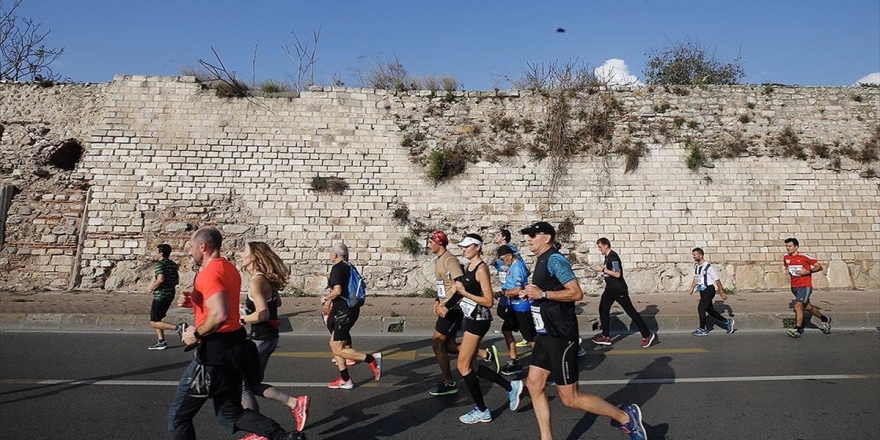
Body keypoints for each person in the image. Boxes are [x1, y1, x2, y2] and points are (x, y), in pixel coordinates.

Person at [168, 226, 303, 440]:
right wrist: (193, 302)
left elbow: (220, 313)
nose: (189, 251)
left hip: (212, 355)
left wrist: (197, 333)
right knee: (231, 413)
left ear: (203, 246)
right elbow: (223, 305)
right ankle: (285, 437)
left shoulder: (208, 273)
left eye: (191, 246)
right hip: (233, 348)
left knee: (178, 417)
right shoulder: (229, 269)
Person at [519, 222, 647, 440]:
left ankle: (626, 418)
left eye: (532, 235)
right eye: (527, 235)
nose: (528, 239)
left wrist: (542, 295)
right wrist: (529, 294)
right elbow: (544, 291)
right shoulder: (541, 259)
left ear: (547, 237)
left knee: (570, 398)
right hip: (545, 333)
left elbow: (576, 293)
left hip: (561, 335)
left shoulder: (555, 260)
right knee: (534, 384)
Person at [239, 241, 310, 432]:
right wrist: (250, 308)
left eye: (244, 251)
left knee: (241, 384)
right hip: (270, 337)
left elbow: (263, 314)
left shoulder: (256, 281)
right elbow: (276, 302)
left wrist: (243, 319)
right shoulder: (266, 278)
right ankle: (296, 403)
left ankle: (257, 431)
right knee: (252, 385)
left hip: (260, 338)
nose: (241, 254)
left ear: (254, 256)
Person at [452, 234, 523, 424]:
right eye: (463, 246)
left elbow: (489, 301)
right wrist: (445, 302)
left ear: (477, 247)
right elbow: (464, 294)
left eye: (467, 246)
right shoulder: (468, 267)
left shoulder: (482, 269)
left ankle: (482, 410)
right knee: (472, 366)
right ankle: (510, 387)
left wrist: (464, 292)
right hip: (470, 317)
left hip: (480, 319)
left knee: (463, 366)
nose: (463, 249)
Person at [323, 242, 382, 389]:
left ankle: (370, 359)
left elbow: (337, 290)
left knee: (338, 348)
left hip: (344, 311)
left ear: (335, 254)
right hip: (349, 309)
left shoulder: (337, 268)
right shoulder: (350, 266)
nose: (330, 255)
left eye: (331, 252)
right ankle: (345, 379)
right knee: (334, 344)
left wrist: (326, 299)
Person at [591, 238, 655, 349]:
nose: (599, 249)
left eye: (600, 246)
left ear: (606, 245)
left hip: (619, 290)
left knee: (631, 312)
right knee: (603, 309)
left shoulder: (613, 257)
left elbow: (617, 274)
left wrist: (602, 270)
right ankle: (606, 336)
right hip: (610, 289)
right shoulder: (607, 257)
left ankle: (647, 335)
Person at [426, 230, 466, 396]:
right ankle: (484, 353)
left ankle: (449, 382)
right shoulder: (440, 259)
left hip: (453, 309)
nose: (428, 245)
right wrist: (437, 300)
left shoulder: (450, 259)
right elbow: (444, 284)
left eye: (430, 242)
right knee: (449, 346)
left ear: (439, 243)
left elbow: (460, 286)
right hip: (445, 307)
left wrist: (447, 306)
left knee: (437, 343)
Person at [496, 244, 535, 376]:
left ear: (509, 255)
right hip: (513, 306)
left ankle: (542, 363)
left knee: (530, 337)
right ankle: (514, 361)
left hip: (522, 307)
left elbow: (518, 290)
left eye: (504, 258)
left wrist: (504, 293)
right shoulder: (511, 266)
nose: (503, 261)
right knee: (506, 330)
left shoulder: (517, 267)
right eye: (501, 259)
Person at [783, 238, 831, 338]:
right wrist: (788, 271)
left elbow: (819, 266)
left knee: (798, 306)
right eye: (786, 246)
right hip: (794, 286)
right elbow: (787, 268)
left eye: (790, 246)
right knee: (807, 307)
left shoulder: (804, 256)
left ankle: (798, 329)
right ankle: (824, 319)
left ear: (796, 247)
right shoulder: (786, 258)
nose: (788, 248)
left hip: (805, 286)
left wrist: (808, 271)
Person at [687, 247, 734, 336]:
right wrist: (692, 288)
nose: (693, 256)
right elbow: (696, 277)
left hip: (709, 290)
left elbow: (717, 280)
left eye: (695, 254)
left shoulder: (708, 267)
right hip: (702, 290)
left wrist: (722, 293)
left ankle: (702, 329)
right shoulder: (696, 266)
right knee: (710, 310)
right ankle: (727, 322)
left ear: (700, 255)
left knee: (701, 308)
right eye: (693, 254)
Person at [148, 243, 186, 350]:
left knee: (154, 322)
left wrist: (152, 287)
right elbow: (176, 280)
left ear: (161, 253)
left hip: (160, 296)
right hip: (170, 295)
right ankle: (161, 341)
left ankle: (178, 328)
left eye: (157, 252)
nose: (155, 254)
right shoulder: (173, 264)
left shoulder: (160, 265)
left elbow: (160, 279)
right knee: (158, 319)